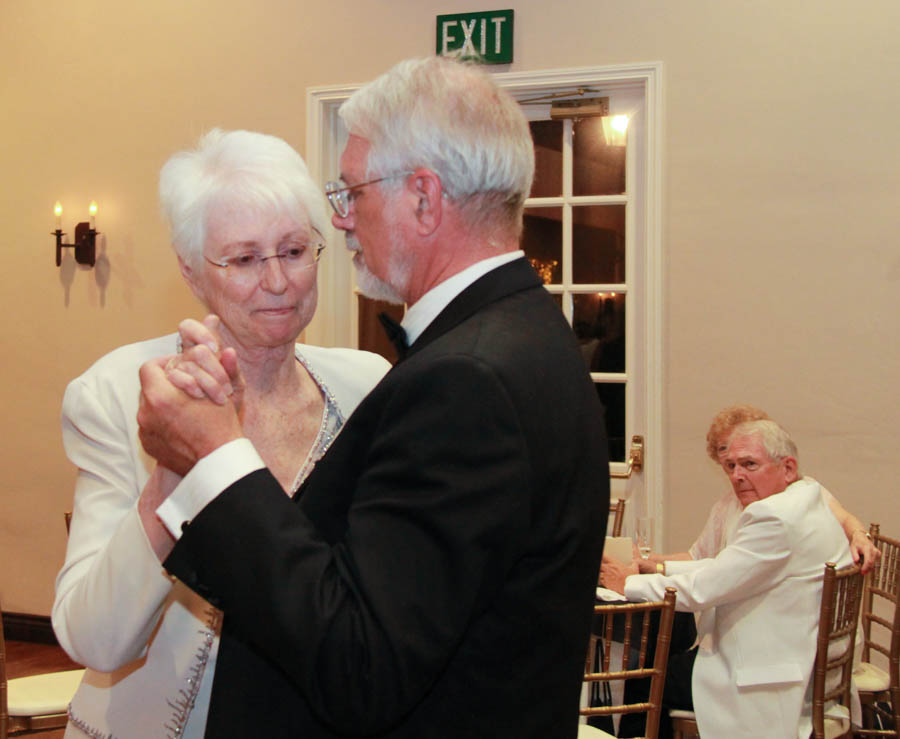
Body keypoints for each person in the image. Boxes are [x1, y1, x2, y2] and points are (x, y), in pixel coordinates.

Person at [136, 55, 610, 738]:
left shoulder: (467, 378)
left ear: (423, 197)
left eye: (353, 192)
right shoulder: (527, 333)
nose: (342, 219)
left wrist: (215, 453)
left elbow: (361, 661)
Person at [52, 129, 391, 738]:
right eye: (242, 258)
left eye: (293, 250)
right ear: (191, 272)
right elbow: (92, 639)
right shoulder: (118, 391)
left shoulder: (368, 385)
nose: (278, 281)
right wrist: (177, 467)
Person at [603, 420, 853, 738]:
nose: (737, 476)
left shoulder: (773, 518)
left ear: (787, 468)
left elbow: (703, 590)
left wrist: (627, 584)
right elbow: (726, 569)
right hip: (805, 664)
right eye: (731, 466)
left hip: (765, 676)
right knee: (668, 661)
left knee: (642, 676)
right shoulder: (807, 496)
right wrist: (658, 570)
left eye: (750, 464)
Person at [639, 404, 878, 572]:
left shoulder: (801, 493)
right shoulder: (727, 505)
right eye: (723, 451)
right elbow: (697, 557)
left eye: (746, 459)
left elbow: (845, 519)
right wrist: (644, 559)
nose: (730, 458)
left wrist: (860, 536)